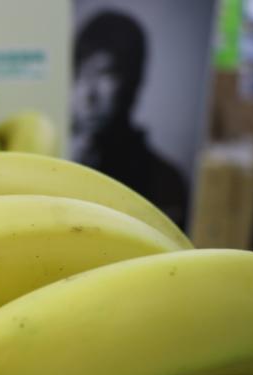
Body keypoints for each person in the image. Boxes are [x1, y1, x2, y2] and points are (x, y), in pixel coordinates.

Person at [71, 10, 189, 229]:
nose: (88, 94)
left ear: (134, 82)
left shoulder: (163, 180)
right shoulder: (60, 161)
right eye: (80, 73)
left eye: (104, 74)